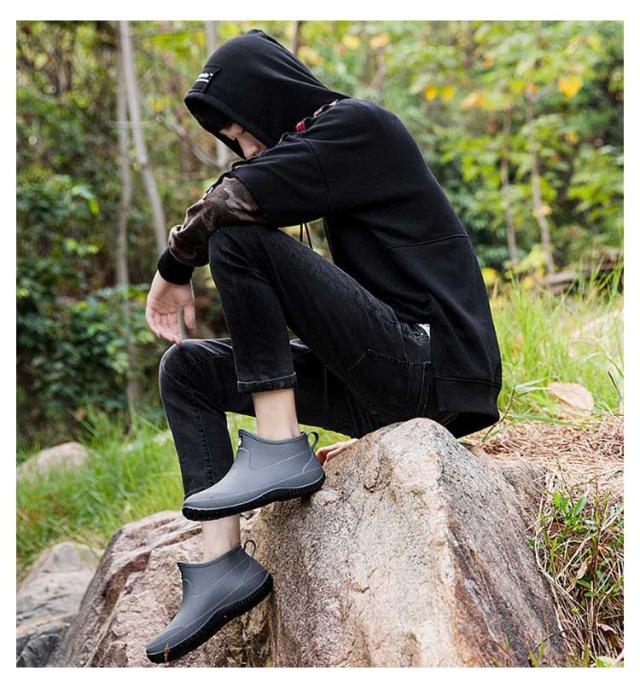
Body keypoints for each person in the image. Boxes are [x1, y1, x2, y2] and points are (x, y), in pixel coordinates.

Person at [143, 28, 502, 663]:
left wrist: (173, 268)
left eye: (243, 130)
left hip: (431, 365)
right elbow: (241, 187)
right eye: (232, 142)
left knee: (237, 237)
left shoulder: (359, 126)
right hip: (381, 382)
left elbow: (233, 201)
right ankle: (221, 563)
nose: (246, 148)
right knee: (187, 368)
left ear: (270, 95)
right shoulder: (322, 152)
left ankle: (279, 445)